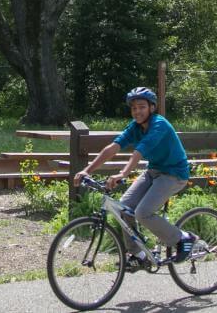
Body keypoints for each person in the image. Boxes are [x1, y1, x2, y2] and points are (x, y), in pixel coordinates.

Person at [72, 87, 199, 267]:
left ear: (151, 108)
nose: (137, 111)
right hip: (154, 171)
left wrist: (123, 173)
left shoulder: (159, 124)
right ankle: (138, 254)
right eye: (134, 108)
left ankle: (183, 238)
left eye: (141, 107)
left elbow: (139, 152)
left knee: (142, 212)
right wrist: (87, 170)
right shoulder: (135, 127)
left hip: (174, 174)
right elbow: (113, 147)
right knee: (123, 208)